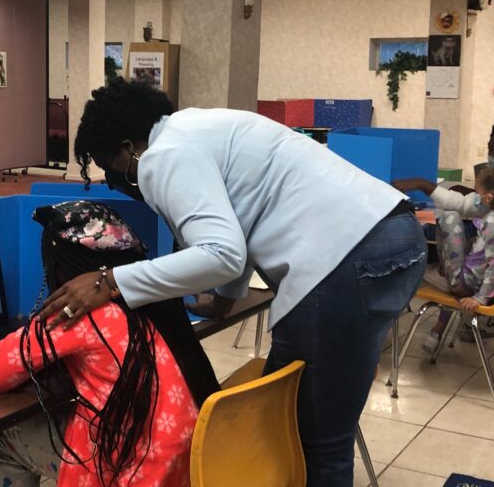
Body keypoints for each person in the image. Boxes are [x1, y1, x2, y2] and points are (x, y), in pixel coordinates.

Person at [39, 79, 427, 486]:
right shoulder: (198, 127)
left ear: (128, 147)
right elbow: (239, 223)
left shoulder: (162, 157)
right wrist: (224, 301)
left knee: (313, 440)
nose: (113, 177)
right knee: (291, 418)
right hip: (396, 238)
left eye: (108, 163)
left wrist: (110, 280)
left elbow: (222, 254)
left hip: (343, 260)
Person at [0, 200, 220, 486]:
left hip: (131, 472)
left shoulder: (78, 312)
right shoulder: (158, 297)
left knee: (6, 436)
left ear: (65, 268)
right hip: (189, 462)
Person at [394, 170, 494, 348]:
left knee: (449, 217)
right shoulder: (488, 213)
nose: (475, 197)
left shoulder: (492, 223)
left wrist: (481, 298)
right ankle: (443, 266)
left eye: (477, 194)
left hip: (466, 284)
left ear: (488, 198)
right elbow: (459, 202)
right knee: (450, 216)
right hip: (473, 279)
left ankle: (442, 268)